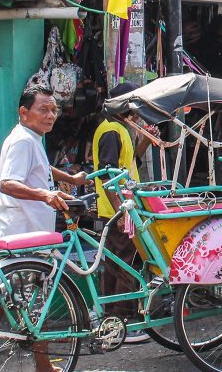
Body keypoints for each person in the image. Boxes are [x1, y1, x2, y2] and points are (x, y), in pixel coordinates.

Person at [0, 85, 87, 372]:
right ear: (23, 113)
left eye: (54, 110)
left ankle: (43, 366)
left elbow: (41, 169)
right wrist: (46, 195)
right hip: (18, 237)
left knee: (35, 308)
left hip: (33, 238)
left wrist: (71, 181)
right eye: (44, 109)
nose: (51, 115)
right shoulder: (22, 141)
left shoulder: (32, 139)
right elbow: (8, 183)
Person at [92, 82, 153, 323]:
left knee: (118, 261)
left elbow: (128, 165)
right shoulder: (111, 131)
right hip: (117, 208)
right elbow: (107, 173)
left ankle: (113, 316)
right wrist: (121, 210)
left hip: (122, 206)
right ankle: (121, 318)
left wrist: (146, 142)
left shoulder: (119, 129)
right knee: (125, 261)